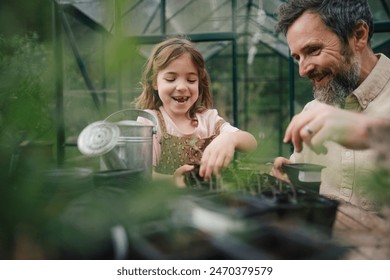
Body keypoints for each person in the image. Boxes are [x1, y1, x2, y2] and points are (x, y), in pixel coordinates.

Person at [272, 0, 390, 211]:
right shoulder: (312, 112)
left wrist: (370, 132)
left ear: (358, 35)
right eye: (297, 57)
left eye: (313, 50)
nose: (302, 70)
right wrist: (292, 186)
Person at [133, 37, 257, 186]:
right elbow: (143, 176)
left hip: (210, 200)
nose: (181, 87)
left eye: (191, 80)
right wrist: (173, 181)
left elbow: (251, 143)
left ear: (199, 83)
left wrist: (231, 139)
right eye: (171, 79)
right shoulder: (149, 122)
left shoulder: (209, 119)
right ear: (155, 82)